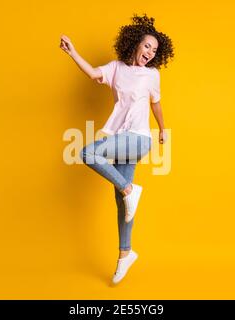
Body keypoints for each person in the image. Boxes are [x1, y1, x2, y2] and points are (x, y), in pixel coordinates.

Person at [60, 14, 174, 284]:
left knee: (88, 152)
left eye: (155, 50)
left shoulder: (152, 75)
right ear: (135, 43)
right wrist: (72, 51)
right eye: (147, 46)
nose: (150, 52)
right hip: (122, 139)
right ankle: (125, 253)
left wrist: (162, 129)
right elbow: (92, 73)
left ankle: (129, 189)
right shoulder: (116, 69)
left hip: (139, 139)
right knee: (123, 206)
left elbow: (155, 104)